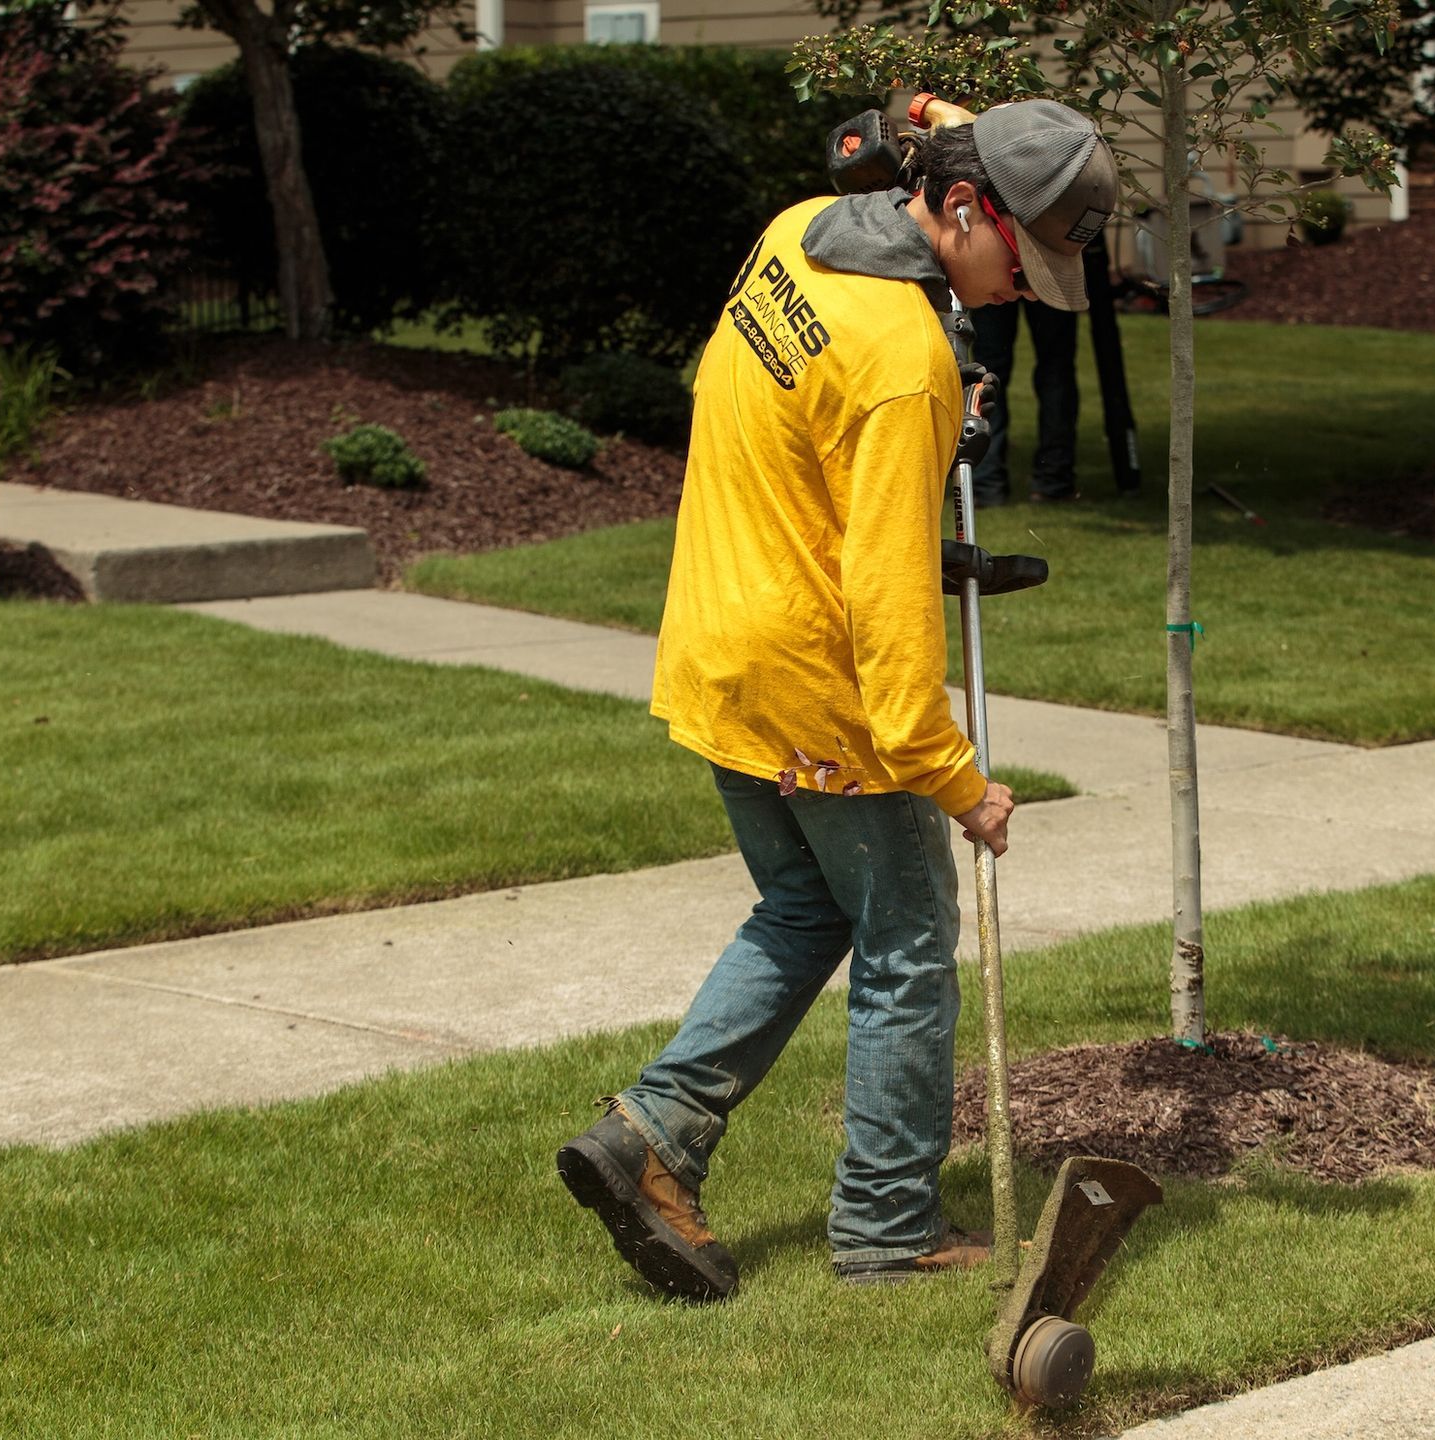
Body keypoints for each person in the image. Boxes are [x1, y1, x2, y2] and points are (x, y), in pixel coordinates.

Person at [556, 100, 1118, 1299]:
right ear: (965, 210)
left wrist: (959, 131)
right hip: (825, 693)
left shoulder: (803, 231)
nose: (1031, 289)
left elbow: (805, 437)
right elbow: (890, 619)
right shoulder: (904, 370)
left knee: (808, 908)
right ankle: (885, 1227)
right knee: (909, 944)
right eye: (1029, 262)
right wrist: (958, 782)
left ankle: (652, 1135)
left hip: (721, 648)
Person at [970, 296, 1081, 506]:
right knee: (1055, 369)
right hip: (1046, 271)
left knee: (989, 369)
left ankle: (987, 481)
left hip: (999, 269)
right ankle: (1053, 479)